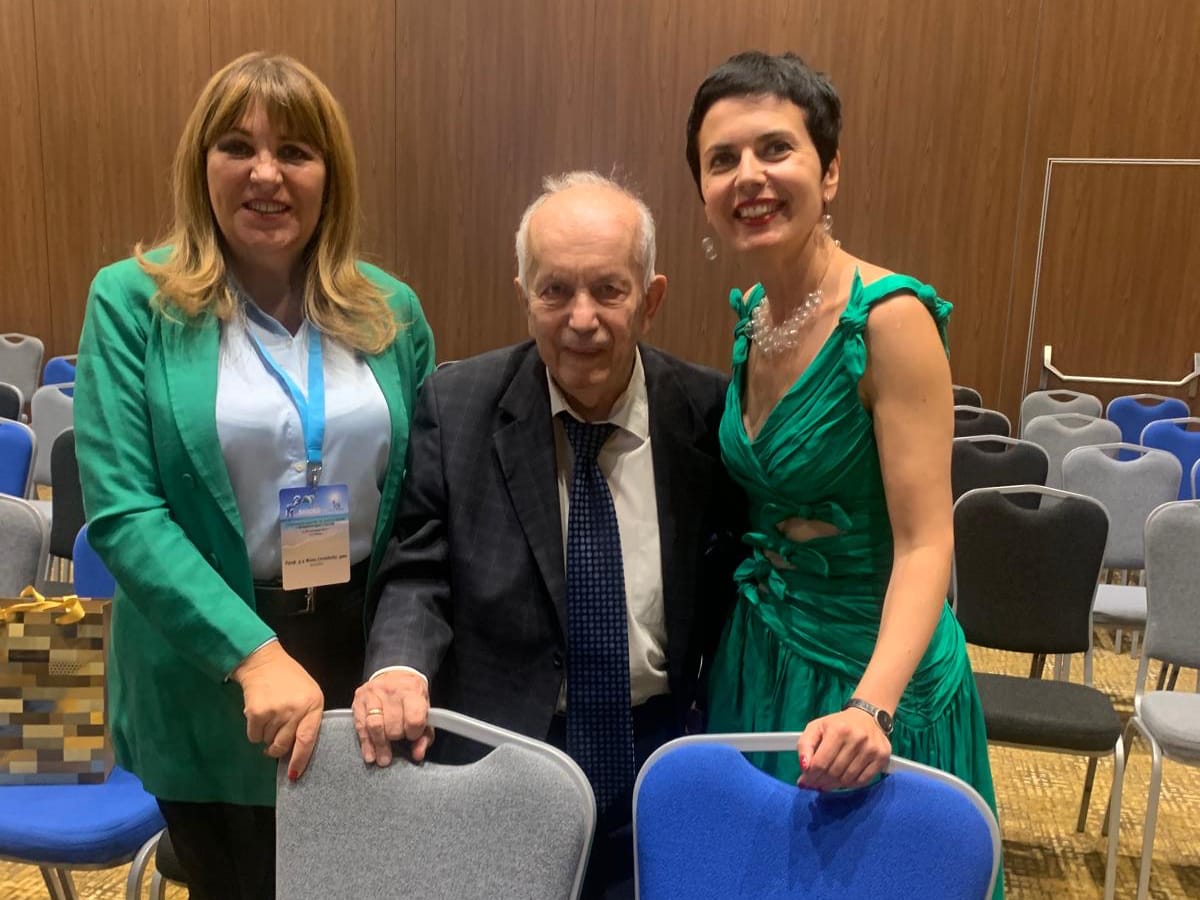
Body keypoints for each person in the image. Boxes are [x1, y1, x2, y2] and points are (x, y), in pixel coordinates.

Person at [74, 52, 434, 900]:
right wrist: (252, 653)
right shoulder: (133, 302)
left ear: (329, 175)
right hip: (207, 663)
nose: (267, 174)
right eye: (238, 146)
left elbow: (424, 498)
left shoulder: (390, 311)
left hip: (360, 656)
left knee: (362, 883)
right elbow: (125, 511)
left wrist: (405, 656)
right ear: (201, 166)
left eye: (296, 152)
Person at [354, 171, 741, 897]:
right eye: (555, 290)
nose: (581, 318)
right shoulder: (457, 402)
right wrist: (400, 665)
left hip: (658, 756)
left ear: (651, 300)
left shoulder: (707, 413)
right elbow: (416, 567)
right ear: (524, 295)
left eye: (609, 290)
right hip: (503, 760)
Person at [685, 48, 1001, 885]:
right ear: (704, 195)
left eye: (775, 149)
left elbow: (929, 541)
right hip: (764, 651)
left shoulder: (890, 320)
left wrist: (873, 706)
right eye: (722, 160)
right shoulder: (754, 315)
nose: (749, 176)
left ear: (828, 174)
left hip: (875, 671)